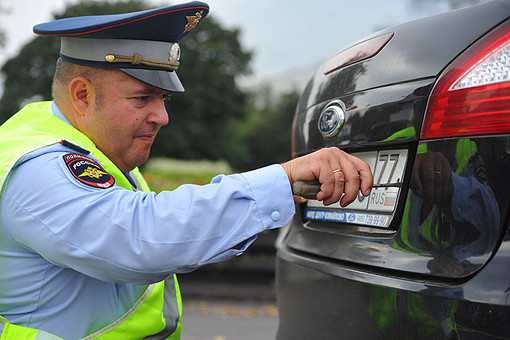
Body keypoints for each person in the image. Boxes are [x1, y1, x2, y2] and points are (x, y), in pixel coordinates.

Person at [0, 2, 373, 339]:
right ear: (83, 96)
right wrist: (280, 179)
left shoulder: (91, 152)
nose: (161, 117)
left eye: (162, 99)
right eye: (142, 98)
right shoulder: (41, 166)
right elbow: (141, 236)